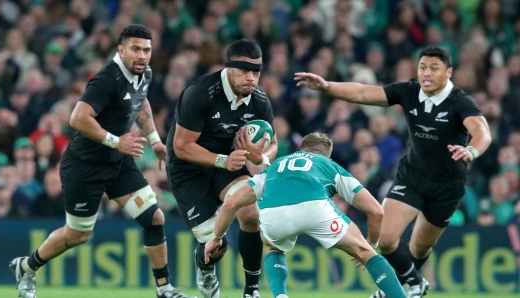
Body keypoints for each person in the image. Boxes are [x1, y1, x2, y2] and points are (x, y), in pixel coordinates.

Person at [9, 24, 195, 298]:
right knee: (78, 234)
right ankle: (27, 266)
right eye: (135, 49)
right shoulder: (107, 78)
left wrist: (154, 139)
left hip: (118, 163)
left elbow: (140, 102)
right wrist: (117, 141)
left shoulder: (144, 74)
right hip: (85, 166)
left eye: (147, 50)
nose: (142, 55)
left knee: (154, 218)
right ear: (121, 50)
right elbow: (77, 119)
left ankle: (165, 289)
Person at [295, 46, 492, 298]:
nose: (426, 73)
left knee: (420, 248)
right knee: (386, 240)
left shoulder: (460, 101)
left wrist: (472, 151)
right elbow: (365, 92)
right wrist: (327, 87)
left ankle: (395, 288)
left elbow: (482, 131)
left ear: (448, 72)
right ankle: (415, 285)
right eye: (422, 67)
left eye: (434, 68)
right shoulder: (409, 91)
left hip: (447, 187)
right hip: (412, 178)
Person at [203, 132, 406, 298]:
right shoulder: (329, 165)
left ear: (301, 150)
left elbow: (231, 203)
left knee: (273, 247)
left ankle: (281, 296)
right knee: (365, 252)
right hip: (315, 209)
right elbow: (376, 211)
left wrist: (216, 238)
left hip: (274, 215)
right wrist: (371, 243)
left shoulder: (275, 165)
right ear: (328, 156)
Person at [166, 38, 278, 298]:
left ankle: (251, 290)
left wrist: (260, 157)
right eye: (244, 71)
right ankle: (205, 267)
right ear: (228, 68)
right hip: (188, 169)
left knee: (250, 212)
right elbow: (182, 146)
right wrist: (221, 160)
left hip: (229, 165)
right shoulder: (200, 93)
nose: (251, 78)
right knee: (216, 248)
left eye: (256, 72)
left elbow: (272, 144)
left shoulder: (259, 101)